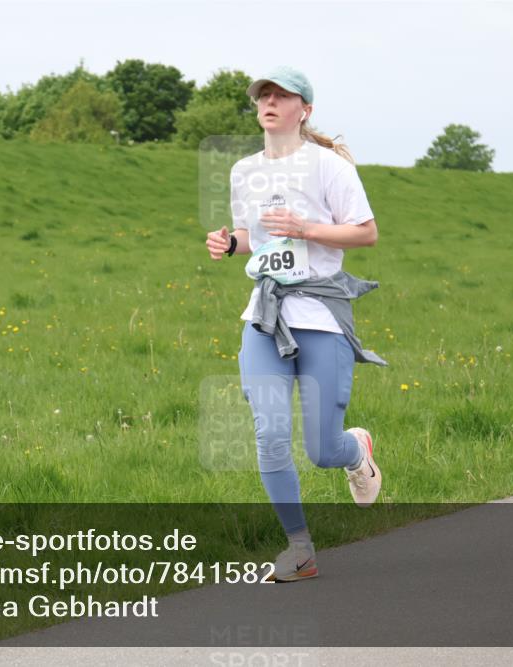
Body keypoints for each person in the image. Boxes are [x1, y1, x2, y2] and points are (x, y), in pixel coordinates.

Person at [205, 66, 385, 581]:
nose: (270, 102)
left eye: (282, 96)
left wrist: (308, 228)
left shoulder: (328, 167)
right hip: (265, 313)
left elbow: (366, 233)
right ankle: (300, 549)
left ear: (304, 110)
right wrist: (228, 243)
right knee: (270, 434)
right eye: (263, 95)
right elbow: (251, 236)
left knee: (322, 449)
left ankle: (356, 450)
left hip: (320, 314)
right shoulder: (244, 170)